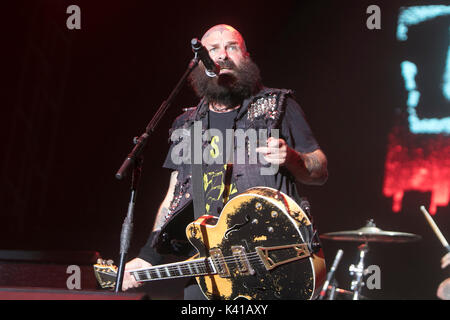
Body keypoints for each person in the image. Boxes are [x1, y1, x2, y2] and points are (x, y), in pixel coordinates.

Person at [122, 24, 328, 299]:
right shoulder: (188, 124)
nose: (222, 55)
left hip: (275, 265)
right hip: (210, 270)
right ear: (199, 62)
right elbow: (175, 195)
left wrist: (293, 158)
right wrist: (148, 255)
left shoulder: (279, 106)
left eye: (232, 47)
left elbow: (320, 170)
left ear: (246, 56)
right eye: (213, 50)